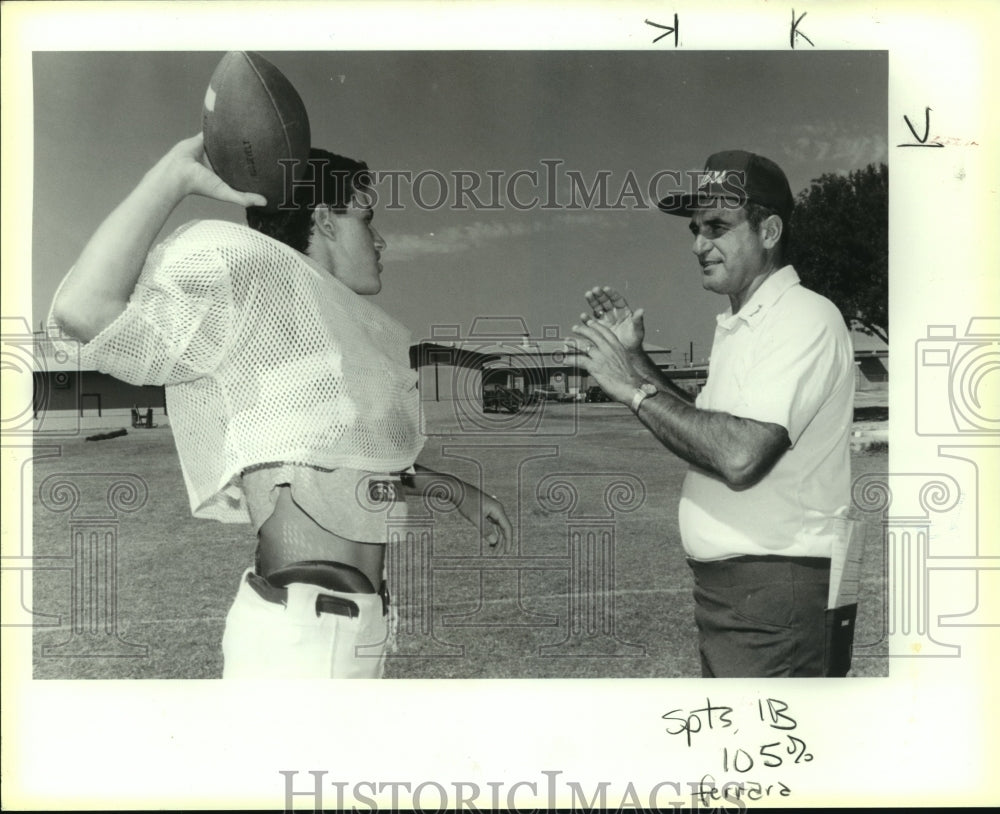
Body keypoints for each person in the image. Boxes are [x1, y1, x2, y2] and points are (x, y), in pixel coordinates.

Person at [49, 133, 512, 678]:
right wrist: (171, 178)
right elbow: (83, 310)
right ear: (323, 222)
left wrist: (451, 488)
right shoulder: (254, 309)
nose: (381, 240)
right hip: (303, 642)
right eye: (367, 218)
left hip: (349, 628)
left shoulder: (315, 345)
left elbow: (348, 465)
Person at [571, 150, 854, 677]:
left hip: (780, 587)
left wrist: (630, 386)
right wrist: (637, 360)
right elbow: (706, 429)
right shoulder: (746, 323)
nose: (700, 245)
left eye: (718, 228)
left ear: (769, 231)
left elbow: (740, 455)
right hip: (745, 592)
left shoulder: (803, 317)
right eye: (696, 229)